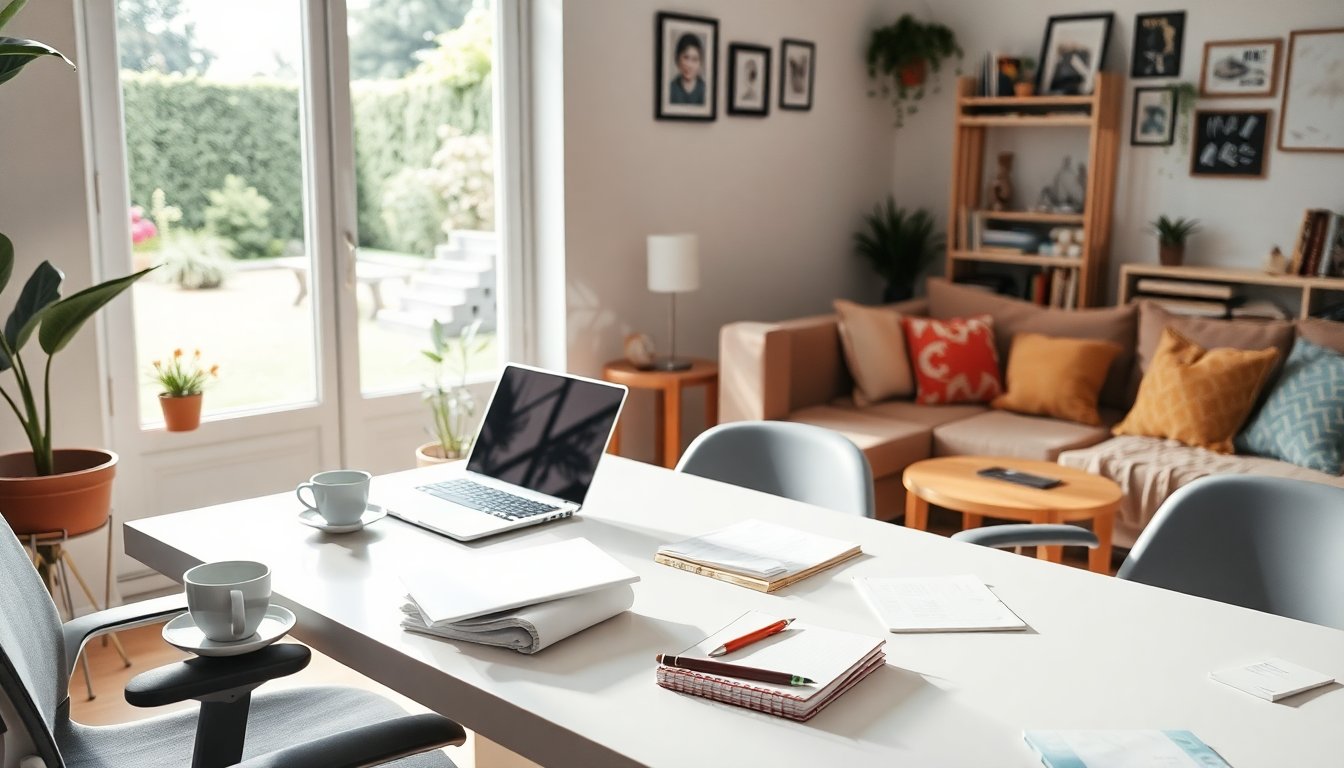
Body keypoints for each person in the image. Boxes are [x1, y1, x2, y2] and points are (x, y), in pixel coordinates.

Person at [669, 32, 705, 105]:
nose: (689, 65)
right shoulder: (670, 89)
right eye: (686, 57)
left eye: (695, 59)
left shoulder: (705, 90)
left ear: (700, 63)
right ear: (678, 59)